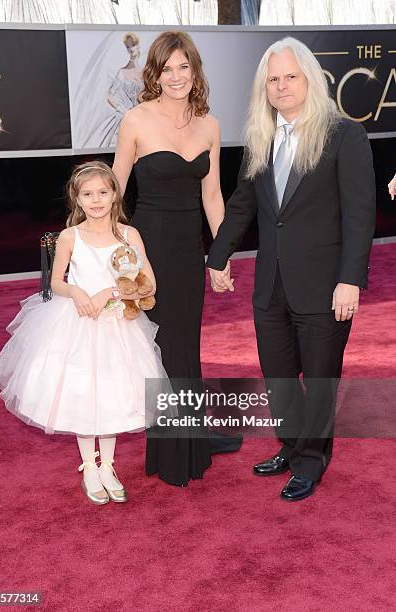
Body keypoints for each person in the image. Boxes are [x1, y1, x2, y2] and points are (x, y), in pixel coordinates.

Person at [208, 37, 376, 501]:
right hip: (271, 284)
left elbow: (360, 214)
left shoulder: (344, 134)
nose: (281, 86)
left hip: (325, 286)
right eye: (273, 79)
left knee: (320, 379)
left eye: (290, 77)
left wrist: (350, 280)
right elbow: (243, 204)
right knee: (279, 376)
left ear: (309, 80)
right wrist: (218, 255)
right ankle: (291, 444)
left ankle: (310, 461)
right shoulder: (261, 136)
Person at [0, 161, 169, 505]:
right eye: (88, 194)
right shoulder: (70, 236)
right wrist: (77, 292)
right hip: (78, 322)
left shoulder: (129, 235)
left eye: (103, 192)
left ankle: (109, 466)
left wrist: (110, 293)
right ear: (77, 199)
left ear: (115, 195)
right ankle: (89, 465)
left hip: (118, 326)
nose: (96, 200)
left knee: (115, 392)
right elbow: (56, 281)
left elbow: (149, 282)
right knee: (82, 394)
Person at [113, 31, 235, 486]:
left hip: (190, 250)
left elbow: (213, 197)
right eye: (167, 69)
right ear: (155, 73)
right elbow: (116, 192)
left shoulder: (210, 125)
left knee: (186, 345)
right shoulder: (136, 120)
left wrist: (220, 255)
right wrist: (115, 254)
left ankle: (191, 437)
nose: (177, 76)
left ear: (195, 70)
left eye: (184, 67)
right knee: (161, 348)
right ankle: (174, 448)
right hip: (150, 250)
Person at [102, 32, 143, 147]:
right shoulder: (122, 72)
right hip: (129, 120)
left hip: (145, 118)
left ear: (138, 46)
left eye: (133, 45)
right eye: (128, 46)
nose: (131, 49)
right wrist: (125, 111)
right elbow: (109, 96)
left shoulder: (145, 72)